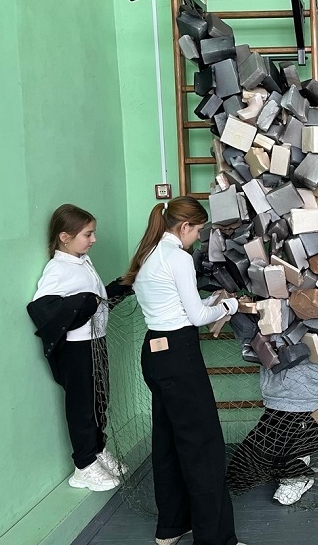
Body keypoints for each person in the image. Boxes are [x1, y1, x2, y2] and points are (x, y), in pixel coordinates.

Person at [122, 196, 245, 545]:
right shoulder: (178, 257)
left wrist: (212, 301)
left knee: (168, 442)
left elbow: (175, 306)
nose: (198, 237)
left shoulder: (148, 253)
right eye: (198, 230)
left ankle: (172, 526)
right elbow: (196, 317)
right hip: (179, 356)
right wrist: (231, 305)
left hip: (155, 354)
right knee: (203, 447)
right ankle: (215, 540)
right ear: (185, 226)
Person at [27, 204, 130, 492]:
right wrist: (84, 302)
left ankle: (97, 450)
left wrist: (123, 285)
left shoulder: (82, 262)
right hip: (77, 349)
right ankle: (83, 466)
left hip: (96, 342)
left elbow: (96, 301)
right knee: (82, 405)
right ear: (64, 237)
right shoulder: (58, 269)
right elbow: (41, 308)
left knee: (99, 400)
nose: (94, 239)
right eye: (88, 234)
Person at [226, 335, 318, 506]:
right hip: (274, 408)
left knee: (273, 456)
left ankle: (299, 473)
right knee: (238, 476)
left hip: (303, 411)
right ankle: (296, 456)